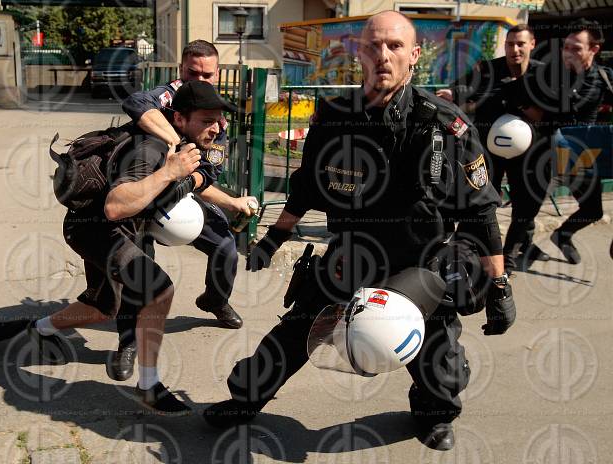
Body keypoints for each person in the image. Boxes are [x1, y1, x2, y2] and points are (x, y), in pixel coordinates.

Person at [203, 11, 516, 451]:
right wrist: (276, 237)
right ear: (359, 54)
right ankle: (244, 402)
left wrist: (499, 286)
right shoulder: (334, 117)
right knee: (296, 333)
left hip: (419, 266)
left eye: (394, 46)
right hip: (352, 254)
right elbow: (308, 183)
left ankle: (433, 413)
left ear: (414, 56)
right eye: (373, 46)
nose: (383, 55)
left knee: (439, 366)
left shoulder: (445, 127)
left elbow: (481, 213)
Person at [24, 81, 232, 415]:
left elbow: (197, 184)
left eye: (219, 120)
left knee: (104, 306)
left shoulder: (183, 148)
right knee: (158, 289)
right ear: (179, 120)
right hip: (96, 229)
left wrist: (229, 200)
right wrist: (169, 173)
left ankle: (40, 329)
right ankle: (149, 385)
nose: (217, 127)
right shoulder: (150, 148)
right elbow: (115, 207)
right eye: (207, 119)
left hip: (104, 229)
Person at [109, 40, 256, 381]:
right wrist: (171, 142)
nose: (200, 79)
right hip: (143, 195)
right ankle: (127, 343)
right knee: (140, 271)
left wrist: (188, 180)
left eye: (208, 73)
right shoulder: (166, 96)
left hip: (186, 193)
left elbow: (210, 173)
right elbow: (135, 101)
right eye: (193, 72)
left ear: (217, 73)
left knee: (225, 248)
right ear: (181, 71)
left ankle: (215, 301)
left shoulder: (217, 113)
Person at [437, 24, 551, 274]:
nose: (515, 49)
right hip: (489, 149)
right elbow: (465, 86)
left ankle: (508, 258)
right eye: (510, 44)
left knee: (526, 206)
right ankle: (463, 251)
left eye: (521, 43)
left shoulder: (544, 74)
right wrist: (452, 93)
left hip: (531, 152)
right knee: (478, 200)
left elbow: (552, 113)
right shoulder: (489, 69)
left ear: (532, 44)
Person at [542, 20, 613, 263]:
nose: (568, 53)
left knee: (593, 211)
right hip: (561, 149)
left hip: (594, 147)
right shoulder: (549, 76)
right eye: (566, 47)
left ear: (594, 50)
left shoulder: (604, 76)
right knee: (591, 208)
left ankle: (563, 235)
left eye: (576, 49)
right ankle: (513, 253)